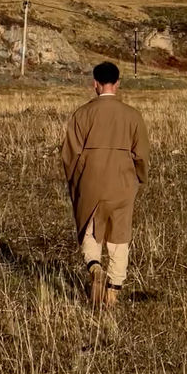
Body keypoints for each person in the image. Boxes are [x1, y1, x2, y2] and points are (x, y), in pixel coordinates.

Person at [62, 61, 149, 307]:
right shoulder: (133, 116)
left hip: (90, 181)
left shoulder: (82, 114)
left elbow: (69, 155)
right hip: (123, 183)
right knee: (119, 237)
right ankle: (112, 293)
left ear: (95, 85)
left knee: (90, 231)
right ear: (118, 84)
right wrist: (139, 177)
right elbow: (141, 154)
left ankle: (94, 267)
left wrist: (75, 182)